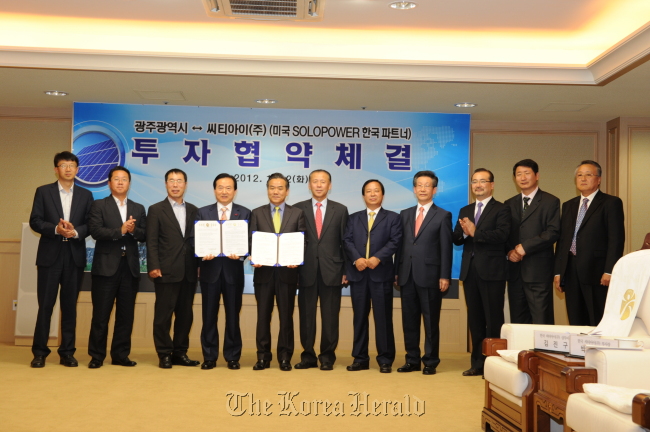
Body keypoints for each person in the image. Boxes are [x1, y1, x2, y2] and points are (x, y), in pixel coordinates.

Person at [28, 151, 94, 368]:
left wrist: (75, 232)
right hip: (50, 257)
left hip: (74, 257)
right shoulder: (43, 192)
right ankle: (39, 352)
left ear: (77, 169)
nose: (68, 169)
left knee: (69, 306)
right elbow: (35, 221)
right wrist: (56, 229)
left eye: (72, 165)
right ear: (56, 169)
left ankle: (67, 352)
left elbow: (90, 224)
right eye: (63, 165)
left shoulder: (86, 195)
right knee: (45, 306)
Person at [87, 166, 146, 368]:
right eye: (116, 179)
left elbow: (144, 234)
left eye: (124, 179)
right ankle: (96, 356)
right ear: (109, 182)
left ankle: (120, 355)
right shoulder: (99, 205)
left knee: (125, 315)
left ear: (129, 183)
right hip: (105, 267)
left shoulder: (138, 208)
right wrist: (119, 230)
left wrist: (133, 230)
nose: (120, 182)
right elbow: (95, 231)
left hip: (129, 268)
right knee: (101, 315)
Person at [453, 168, 510, 377]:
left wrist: (476, 232)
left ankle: (494, 364)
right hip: (470, 271)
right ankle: (477, 363)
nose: (478, 185)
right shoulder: (465, 210)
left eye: (483, 181)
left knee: (493, 319)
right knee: (475, 319)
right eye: (474, 181)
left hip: (492, 272)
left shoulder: (502, 209)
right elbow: (457, 238)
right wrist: (464, 233)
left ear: (492, 185)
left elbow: (503, 235)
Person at [395, 170, 452, 375]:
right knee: (409, 321)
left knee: (430, 321)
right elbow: (400, 246)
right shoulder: (405, 214)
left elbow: (446, 248)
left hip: (430, 276)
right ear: (414, 189)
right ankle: (412, 360)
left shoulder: (443, 215)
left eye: (427, 185)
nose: (422, 189)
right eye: (419, 185)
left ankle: (430, 361)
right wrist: (396, 272)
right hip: (407, 274)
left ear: (434, 190)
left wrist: (444, 275)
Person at [554, 160, 625, 326]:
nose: (583, 178)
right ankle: (578, 352)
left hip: (597, 271)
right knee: (575, 319)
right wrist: (558, 272)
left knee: (596, 319)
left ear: (598, 179)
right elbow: (563, 241)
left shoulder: (610, 203)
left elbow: (616, 239)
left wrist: (609, 270)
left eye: (588, 175)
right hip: (570, 270)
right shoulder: (569, 205)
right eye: (579, 175)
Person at [343, 179, 402, 373]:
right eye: (368, 191)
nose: (373, 194)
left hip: (381, 274)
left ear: (382, 195)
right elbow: (347, 241)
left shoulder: (393, 218)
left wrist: (378, 257)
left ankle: (385, 360)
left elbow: (395, 241)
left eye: (376, 191)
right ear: (363, 196)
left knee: (383, 318)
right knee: (359, 317)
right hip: (358, 274)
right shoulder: (353, 218)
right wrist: (356, 259)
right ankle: (360, 358)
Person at [249, 173, 306, 371]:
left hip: (287, 274)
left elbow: (301, 241)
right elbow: (252, 241)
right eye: (272, 187)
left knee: (286, 317)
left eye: (280, 188)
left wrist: (296, 259)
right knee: (263, 316)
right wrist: (252, 256)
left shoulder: (297, 213)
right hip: (263, 274)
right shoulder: (256, 213)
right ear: (267, 190)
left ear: (287, 191)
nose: (276, 191)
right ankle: (262, 357)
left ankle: (285, 357)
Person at [294, 169, 349, 371]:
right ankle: (307, 356)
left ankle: (327, 357)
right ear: (309, 185)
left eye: (323, 182)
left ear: (330, 185)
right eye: (314, 181)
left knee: (330, 317)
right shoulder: (298, 209)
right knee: (306, 317)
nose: (318, 185)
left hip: (332, 270)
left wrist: (346, 270)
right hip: (305, 270)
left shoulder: (341, 210)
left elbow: (346, 242)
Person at [196, 173, 251, 370]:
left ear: (235, 191)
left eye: (228, 188)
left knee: (233, 316)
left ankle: (233, 356)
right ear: (214, 190)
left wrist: (243, 254)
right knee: (209, 316)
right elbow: (197, 242)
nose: (224, 191)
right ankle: (209, 356)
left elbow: (249, 243)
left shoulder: (245, 213)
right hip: (210, 271)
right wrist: (202, 254)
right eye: (220, 187)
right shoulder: (203, 213)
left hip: (233, 272)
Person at [146, 168, 199, 369]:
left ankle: (180, 352)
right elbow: (151, 241)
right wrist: (154, 265)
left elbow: (197, 242)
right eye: (171, 181)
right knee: (163, 316)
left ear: (185, 184)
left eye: (179, 181)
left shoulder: (195, 210)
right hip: (165, 270)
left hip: (189, 271)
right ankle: (164, 353)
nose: (175, 185)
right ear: (166, 184)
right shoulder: (156, 209)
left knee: (185, 315)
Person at [504, 159, 560, 325]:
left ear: (537, 176)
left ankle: (541, 352)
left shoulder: (550, 201)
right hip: (515, 272)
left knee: (540, 320)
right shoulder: (509, 203)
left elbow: (553, 232)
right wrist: (509, 252)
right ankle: (521, 352)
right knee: (518, 322)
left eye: (527, 173)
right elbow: (505, 234)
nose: (522, 177)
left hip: (538, 272)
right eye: (519, 174)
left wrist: (525, 248)